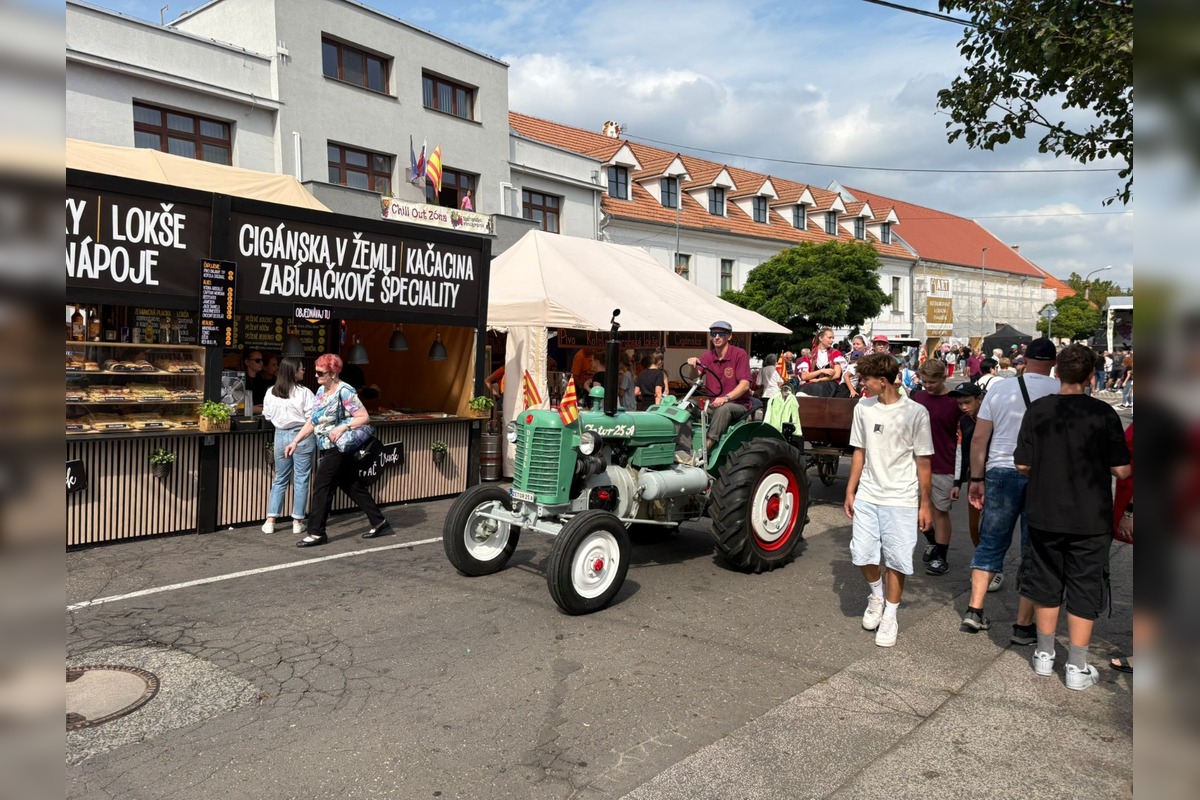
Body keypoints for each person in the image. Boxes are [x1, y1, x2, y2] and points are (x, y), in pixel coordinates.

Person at [1014, 344, 1131, 690]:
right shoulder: (1104, 414)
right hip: (1090, 516)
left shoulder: (1038, 410)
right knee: (1084, 585)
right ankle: (1077, 667)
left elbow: (1022, 463)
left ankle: (1044, 655)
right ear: (1091, 376)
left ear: (1057, 372)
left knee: (1046, 581)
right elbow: (1122, 470)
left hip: (1045, 511)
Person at [963, 337, 1060, 638]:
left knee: (991, 540)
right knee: (1035, 547)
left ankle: (974, 610)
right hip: (1043, 474)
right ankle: (1023, 625)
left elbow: (979, 439)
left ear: (1024, 359)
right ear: (1053, 363)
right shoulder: (1061, 392)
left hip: (1000, 470)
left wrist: (976, 479)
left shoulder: (1000, 389)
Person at [842, 352, 934, 648]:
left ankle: (891, 614)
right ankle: (877, 595)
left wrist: (925, 503)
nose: (862, 384)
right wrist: (850, 489)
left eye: (865, 380)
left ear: (883, 382)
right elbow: (859, 450)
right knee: (862, 553)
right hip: (869, 493)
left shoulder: (916, 412)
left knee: (897, 558)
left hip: (902, 497)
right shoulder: (863, 408)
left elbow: (923, 461)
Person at [284, 353, 388, 547]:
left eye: (320, 372)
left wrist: (343, 427)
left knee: (322, 486)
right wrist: (296, 441)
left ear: (333, 373)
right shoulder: (321, 392)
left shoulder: (345, 391)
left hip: (339, 447)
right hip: (326, 445)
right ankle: (379, 521)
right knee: (351, 485)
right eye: (316, 372)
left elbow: (363, 417)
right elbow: (313, 421)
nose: (316, 376)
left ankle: (316, 533)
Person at [912, 359, 963, 576]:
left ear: (944, 377)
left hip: (943, 462)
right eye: (924, 381)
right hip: (915, 462)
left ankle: (941, 556)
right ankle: (932, 541)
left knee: (940, 511)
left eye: (933, 381)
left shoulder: (954, 402)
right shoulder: (917, 397)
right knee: (914, 509)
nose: (928, 386)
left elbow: (962, 434)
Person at [683, 320, 752, 463]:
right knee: (686, 404)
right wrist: (692, 365)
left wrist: (725, 398)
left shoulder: (739, 354)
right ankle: (683, 447)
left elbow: (745, 385)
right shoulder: (708, 357)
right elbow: (694, 376)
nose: (717, 337)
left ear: (729, 336)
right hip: (713, 405)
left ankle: (704, 450)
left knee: (723, 409)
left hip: (737, 404)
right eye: (714, 333)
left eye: (721, 334)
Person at [261, 358, 316, 536]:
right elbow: (312, 417)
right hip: (302, 435)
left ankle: (270, 520)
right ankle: (297, 521)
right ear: (293, 372)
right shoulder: (305, 392)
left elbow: (267, 415)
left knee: (280, 478)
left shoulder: (271, 392)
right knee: (301, 478)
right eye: (301, 368)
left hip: (280, 435)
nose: (304, 371)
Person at [949, 381, 985, 561]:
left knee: (993, 525)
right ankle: (982, 557)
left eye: (967, 402)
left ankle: (991, 565)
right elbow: (961, 452)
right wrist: (957, 483)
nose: (963, 407)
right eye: (959, 403)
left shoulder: (993, 417)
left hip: (995, 476)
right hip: (974, 477)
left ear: (979, 399)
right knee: (974, 525)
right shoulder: (963, 421)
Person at [797, 327, 846, 397]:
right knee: (801, 389)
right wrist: (821, 371)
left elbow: (837, 375)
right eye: (829, 338)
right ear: (820, 338)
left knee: (819, 387)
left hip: (829, 384)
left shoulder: (836, 353)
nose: (832, 340)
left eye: (833, 338)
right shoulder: (809, 356)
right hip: (812, 384)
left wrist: (819, 380)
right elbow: (804, 376)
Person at [242, 347, 273, 412]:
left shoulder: (261, 380)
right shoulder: (241, 381)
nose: (261, 363)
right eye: (257, 361)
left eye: (262, 360)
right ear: (247, 362)